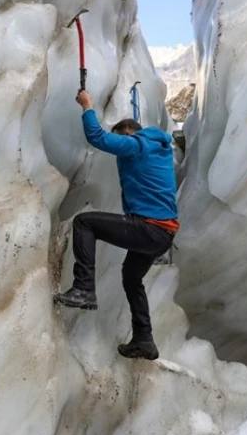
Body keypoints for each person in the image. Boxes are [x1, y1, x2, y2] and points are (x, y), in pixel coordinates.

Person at [53, 89, 179, 360]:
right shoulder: (159, 151)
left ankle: (84, 288)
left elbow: (97, 137)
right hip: (163, 234)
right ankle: (144, 340)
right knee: (132, 277)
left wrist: (87, 106)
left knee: (85, 223)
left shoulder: (135, 144)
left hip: (149, 227)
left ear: (127, 133)